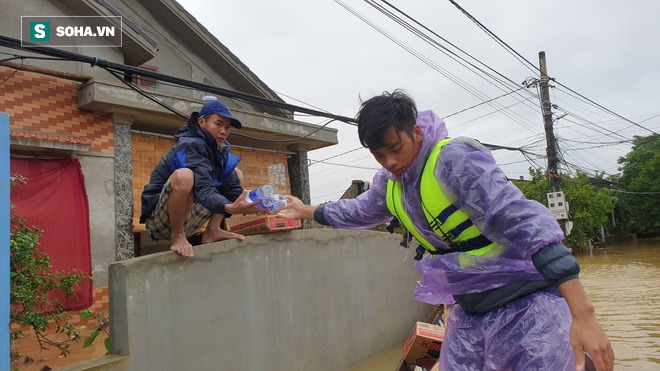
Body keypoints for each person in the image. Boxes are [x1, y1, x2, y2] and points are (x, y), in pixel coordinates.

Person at [278, 90, 614, 370]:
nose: (390, 162)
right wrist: (305, 209)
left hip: (526, 301)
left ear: (417, 133)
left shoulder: (455, 160)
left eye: (395, 149)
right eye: (380, 156)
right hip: (470, 308)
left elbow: (523, 222)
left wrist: (582, 315)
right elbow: (357, 210)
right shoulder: (390, 184)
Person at [140, 99, 265, 258]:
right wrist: (229, 207)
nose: (223, 131)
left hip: (191, 218)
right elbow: (203, 188)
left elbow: (232, 191)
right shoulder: (190, 144)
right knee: (185, 175)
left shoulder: (220, 150)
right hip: (163, 222)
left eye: (227, 127)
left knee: (235, 173)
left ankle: (213, 230)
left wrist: (252, 205)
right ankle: (177, 236)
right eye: (218, 124)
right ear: (201, 122)